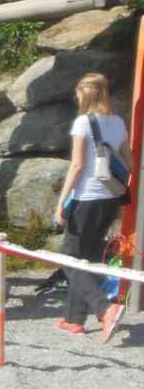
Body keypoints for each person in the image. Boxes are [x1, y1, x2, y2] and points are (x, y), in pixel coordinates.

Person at [54, 72, 132, 343]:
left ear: (85, 94)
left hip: (85, 198)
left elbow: (77, 165)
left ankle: (105, 308)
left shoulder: (83, 123)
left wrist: (61, 201)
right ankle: (73, 319)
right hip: (110, 199)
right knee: (86, 259)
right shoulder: (118, 123)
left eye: (78, 94)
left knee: (69, 260)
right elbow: (129, 161)